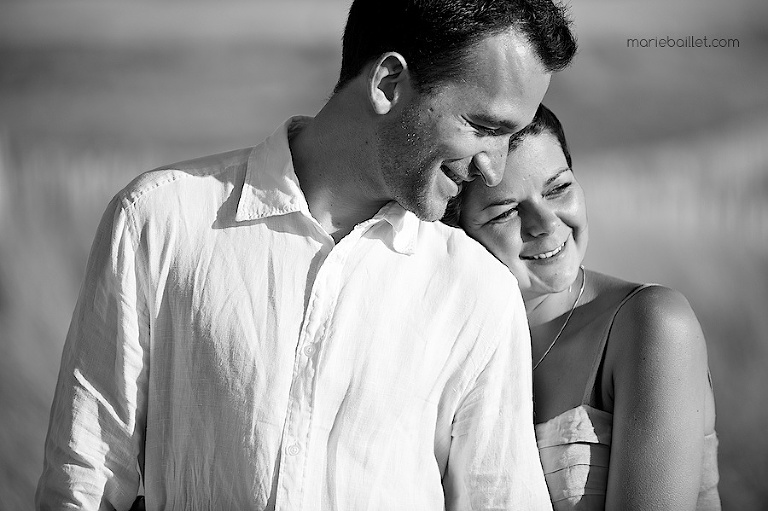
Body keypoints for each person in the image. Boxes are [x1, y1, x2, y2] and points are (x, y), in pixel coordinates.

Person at [36, 1, 577, 509]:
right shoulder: (162, 220)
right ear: (389, 83)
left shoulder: (478, 289)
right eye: (484, 128)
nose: (494, 171)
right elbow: (83, 479)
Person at [445, 104, 721, 510]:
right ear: (459, 232)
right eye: (506, 211)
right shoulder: (453, 341)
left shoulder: (650, 324)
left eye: (558, 188)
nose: (546, 222)